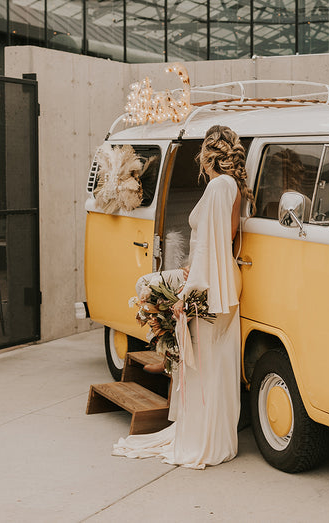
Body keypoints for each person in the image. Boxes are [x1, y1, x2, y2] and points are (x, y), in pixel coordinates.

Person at [112, 125, 252, 469]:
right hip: (217, 276)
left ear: (207, 156)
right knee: (210, 363)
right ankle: (212, 434)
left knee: (204, 364)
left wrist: (190, 293)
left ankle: (204, 440)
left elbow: (209, 243)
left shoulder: (220, 185)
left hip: (211, 282)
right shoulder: (230, 186)